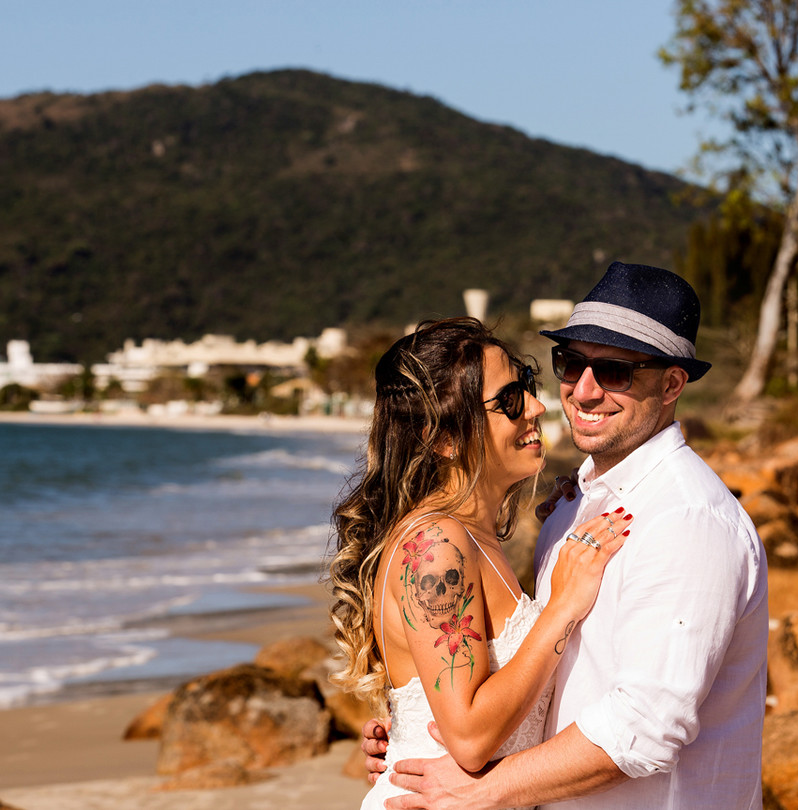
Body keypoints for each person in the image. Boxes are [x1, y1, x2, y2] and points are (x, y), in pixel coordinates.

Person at [366, 262, 769, 809]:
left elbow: (647, 725)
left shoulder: (686, 520)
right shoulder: (566, 510)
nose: (580, 392)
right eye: (570, 363)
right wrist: (407, 729)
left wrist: (485, 786)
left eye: (616, 372)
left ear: (673, 383)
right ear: (444, 437)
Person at [328, 317, 634, 810]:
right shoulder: (435, 544)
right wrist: (561, 609)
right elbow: (469, 737)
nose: (536, 407)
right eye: (510, 401)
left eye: (529, 387)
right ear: (444, 439)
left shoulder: (472, 537)